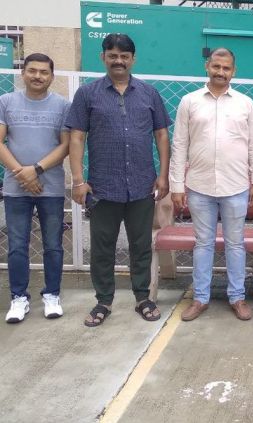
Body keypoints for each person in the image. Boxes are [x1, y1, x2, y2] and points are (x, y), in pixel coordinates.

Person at [66, 33, 170, 327]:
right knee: (103, 248)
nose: (119, 61)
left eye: (124, 56)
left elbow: (162, 135)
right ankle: (103, 301)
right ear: (103, 57)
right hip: (102, 187)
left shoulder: (149, 93)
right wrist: (78, 180)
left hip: (141, 185)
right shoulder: (87, 94)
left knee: (141, 245)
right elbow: (77, 137)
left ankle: (143, 298)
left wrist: (163, 175)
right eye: (113, 55)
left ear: (133, 59)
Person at [170, 47, 253, 321]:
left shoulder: (245, 103)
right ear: (207, 67)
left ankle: (237, 297)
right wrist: (177, 184)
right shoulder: (189, 101)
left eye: (226, 68)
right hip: (199, 186)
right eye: (216, 66)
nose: (221, 72)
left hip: (236, 186)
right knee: (203, 243)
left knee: (235, 244)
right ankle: (200, 298)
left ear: (234, 71)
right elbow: (179, 144)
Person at [0, 53, 70, 323]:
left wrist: (36, 169)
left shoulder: (62, 106)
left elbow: (65, 145)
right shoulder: (6, 102)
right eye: (32, 71)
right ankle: (19, 298)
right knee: (17, 245)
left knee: (53, 245)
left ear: (52, 76)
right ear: (23, 73)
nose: (37, 76)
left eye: (44, 72)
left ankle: (52, 295)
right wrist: (22, 173)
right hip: (16, 188)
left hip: (51, 188)